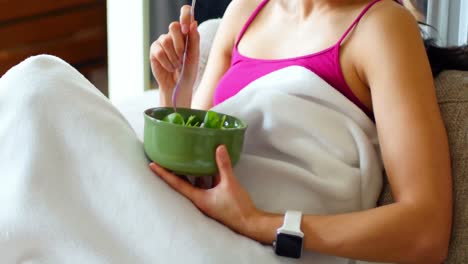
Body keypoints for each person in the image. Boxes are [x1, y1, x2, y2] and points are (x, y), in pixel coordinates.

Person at [149, 0, 467, 262]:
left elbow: (426, 230)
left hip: (275, 249)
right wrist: (176, 90)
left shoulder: (381, 26)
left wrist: (258, 223)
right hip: (197, 229)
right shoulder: (242, 12)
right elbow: (196, 161)